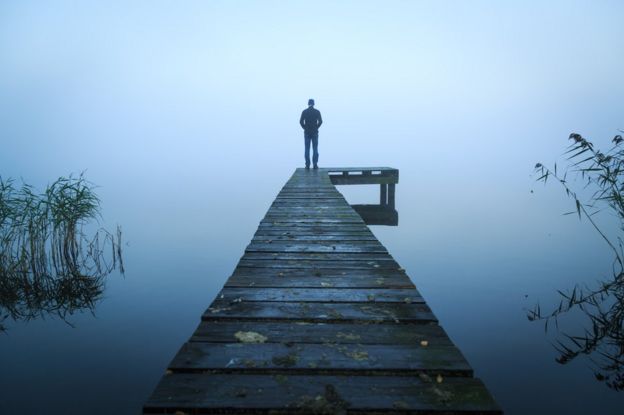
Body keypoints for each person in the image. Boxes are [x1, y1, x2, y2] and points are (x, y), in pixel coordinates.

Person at [299, 98, 323, 169]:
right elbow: (321, 121)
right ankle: (315, 164)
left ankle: (307, 165)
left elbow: (301, 122)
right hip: (315, 132)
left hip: (307, 133)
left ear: (308, 103)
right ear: (314, 104)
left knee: (307, 149)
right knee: (315, 149)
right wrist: (316, 127)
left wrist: (305, 128)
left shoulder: (304, 111)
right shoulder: (317, 112)